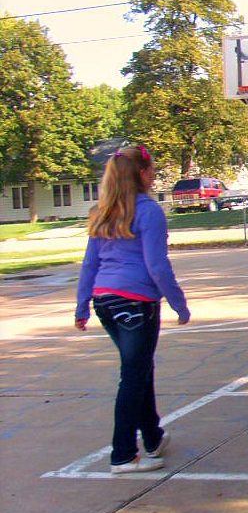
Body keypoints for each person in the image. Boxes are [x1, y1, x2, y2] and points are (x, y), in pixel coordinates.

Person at [75, 145, 190, 474]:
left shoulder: (105, 211)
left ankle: (152, 436)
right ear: (141, 173)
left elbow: (90, 264)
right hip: (136, 302)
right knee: (133, 376)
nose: (154, 174)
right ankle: (123, 454)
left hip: (106, 302)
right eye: (152, 169)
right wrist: (178, 302)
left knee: (139, 369)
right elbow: (157, 265)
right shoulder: (148, 211)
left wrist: (83, 304)